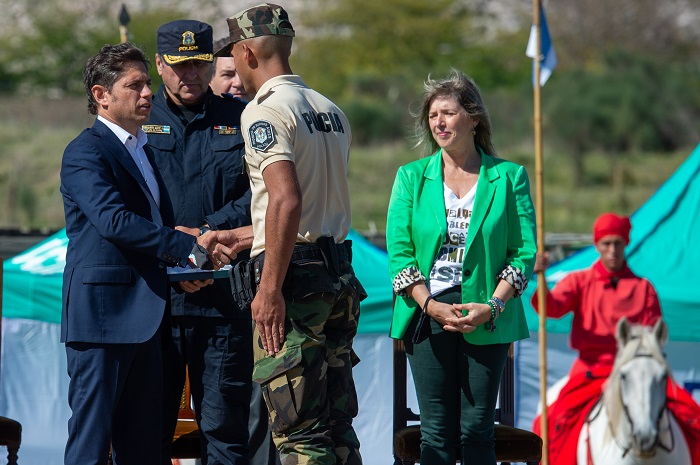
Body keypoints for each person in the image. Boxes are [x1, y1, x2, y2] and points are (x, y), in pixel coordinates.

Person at [213, 4, 367, 464]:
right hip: (337, 274)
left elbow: (287, 200)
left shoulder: (264, 112)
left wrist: (269, 287)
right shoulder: (330, 109)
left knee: (299, 432)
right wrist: (245, 236)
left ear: (246, 53)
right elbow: (317, 205)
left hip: (295, 284)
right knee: (338, 427)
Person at [60, 43, 215, 465]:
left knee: (144, 451)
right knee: (91, 448)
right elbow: (114, 221)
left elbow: (150, 233)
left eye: (147, 83)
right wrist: (186, 248)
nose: (148, 93)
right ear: (101, 95)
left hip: (147, 323)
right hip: (102, 324)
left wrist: (184, 268)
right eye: (135, 85)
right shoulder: (85, 152)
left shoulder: (142, 149)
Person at [386, 69, 537, 465]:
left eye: (448, 113)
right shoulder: (410, 178)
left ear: (473, 118)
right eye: (433, 115)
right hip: (427, 312)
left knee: (476, 431)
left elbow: (523, 253)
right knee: (436, 433)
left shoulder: (509, 177)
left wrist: (494, 305)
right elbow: (399, 253)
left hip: (487, 314)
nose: (438, 121)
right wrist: (428, 304)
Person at [145, 20, 255, 465]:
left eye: (198, 64)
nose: (189, 74)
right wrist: (178, 246)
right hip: (155, 305)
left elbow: (262, 193)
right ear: (159, 64)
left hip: (222, 303)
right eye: (179, 65)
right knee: (147, 432)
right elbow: (126, 199)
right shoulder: (138, 119)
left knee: (225, 435)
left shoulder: (241, 118)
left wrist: (209, 232)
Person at [531, 212, 700, 465]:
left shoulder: (643, 288)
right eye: (606, 243)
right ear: (597, 245)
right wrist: (540, 278)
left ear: (626, 244)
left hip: (638, 372)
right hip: (591, 371)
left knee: (692, 417)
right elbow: (551, 307)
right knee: (555, 419)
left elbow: (652, 340)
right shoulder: (580, 281)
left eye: (618, 243)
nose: (612, 250)